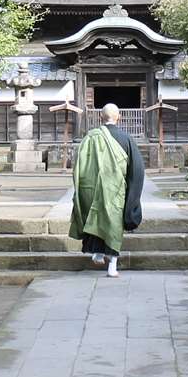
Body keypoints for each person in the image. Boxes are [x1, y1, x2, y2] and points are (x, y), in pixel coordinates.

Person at [69, 103, 144, 277]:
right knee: (113, 225)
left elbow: (79, 166)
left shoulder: (90, 137)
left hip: (93, 189)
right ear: (119, 118)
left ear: (100, 117)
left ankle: (97, 252)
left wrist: (81, 190)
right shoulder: (126, 139)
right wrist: (133, 197)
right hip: (116, 190)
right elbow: (137, 170)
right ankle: (113, 266)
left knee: (95, 218)